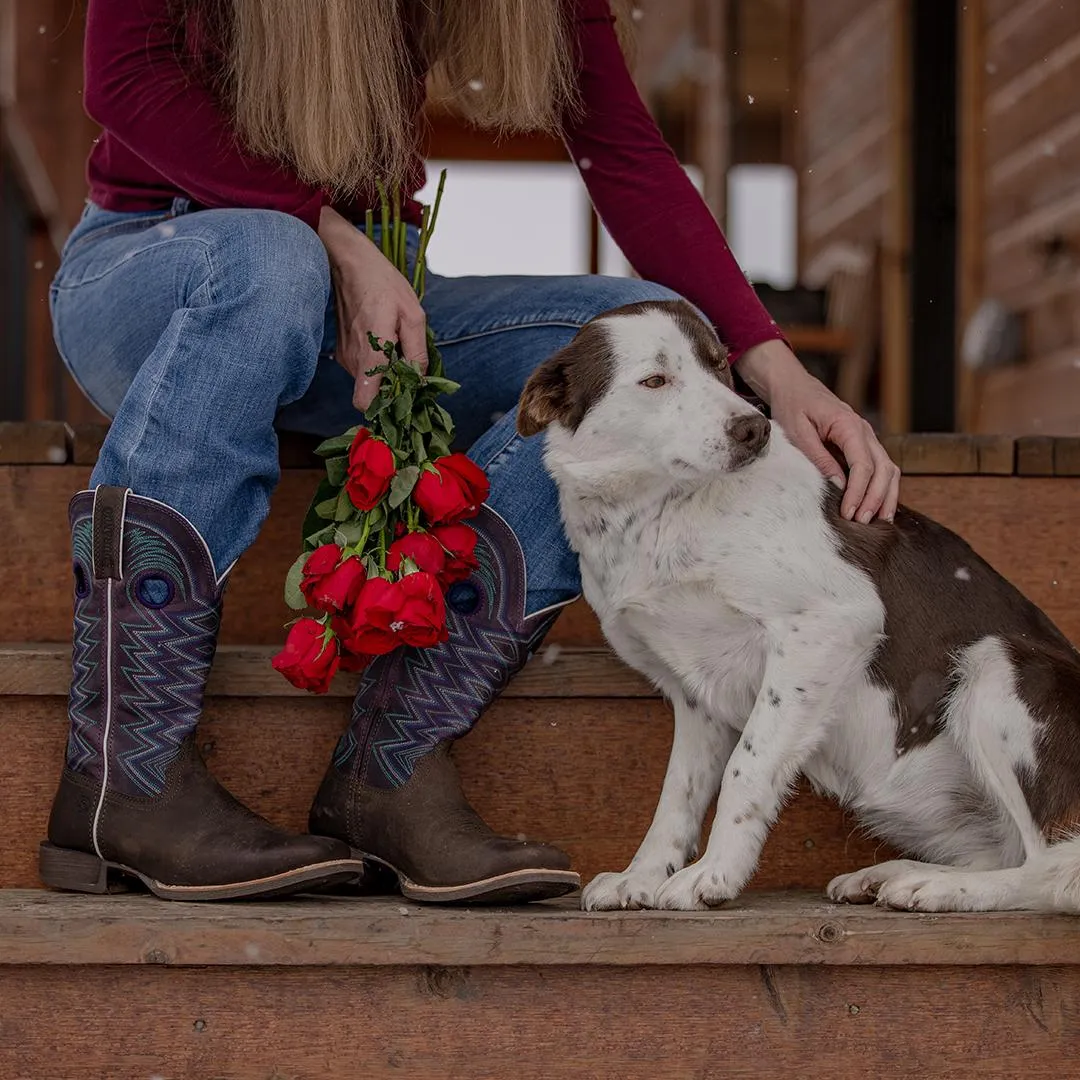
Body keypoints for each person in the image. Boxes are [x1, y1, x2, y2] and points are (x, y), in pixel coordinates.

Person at [43, 0, 902, 904]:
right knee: (271, 257)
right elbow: (126, 81)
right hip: (166, 262)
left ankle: (391, 765)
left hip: (376, 298)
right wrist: (326, 232)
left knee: (613, 338)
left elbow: (624, 146)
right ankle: (123, 778)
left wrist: (775, 370)